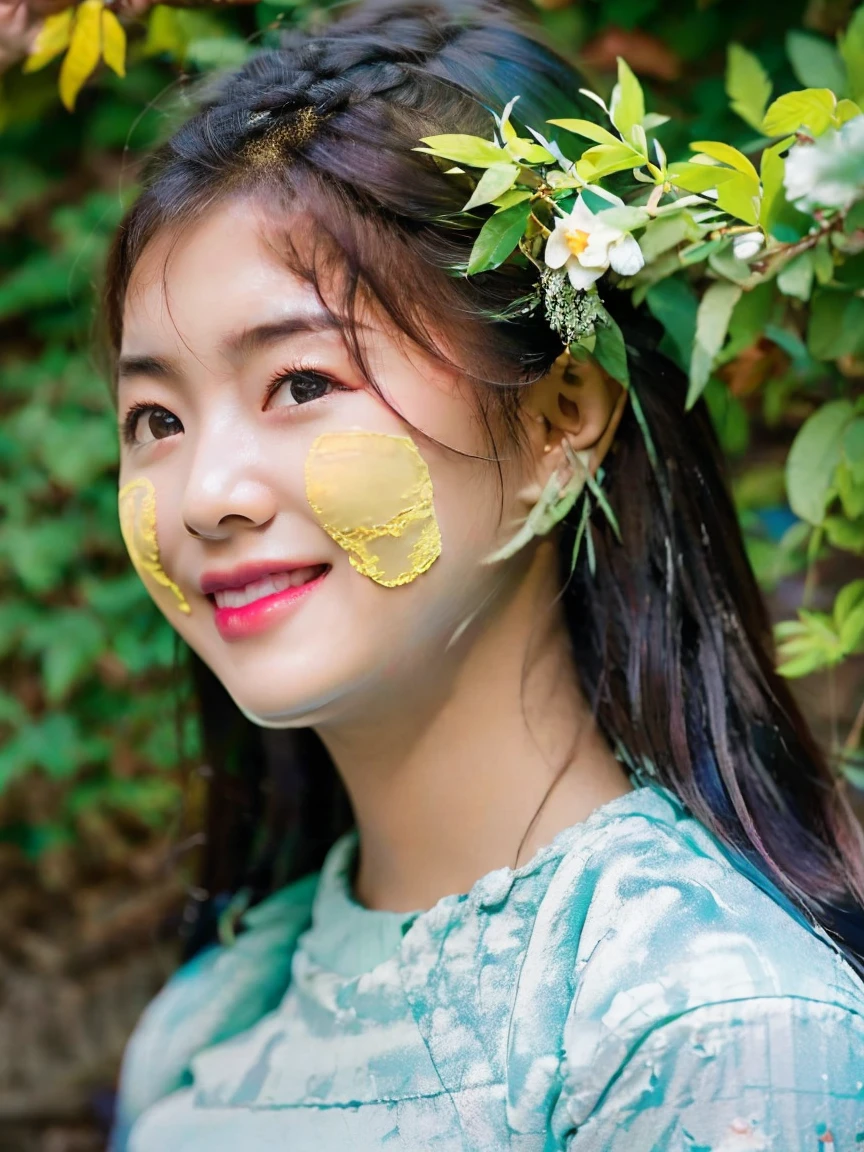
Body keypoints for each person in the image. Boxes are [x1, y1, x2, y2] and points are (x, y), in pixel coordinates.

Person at [104, 2, 864, 1148]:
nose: (207, 492)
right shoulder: (205, 1019)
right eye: (154, 416)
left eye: (302, 384)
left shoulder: (715, 1035)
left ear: (563, 419)